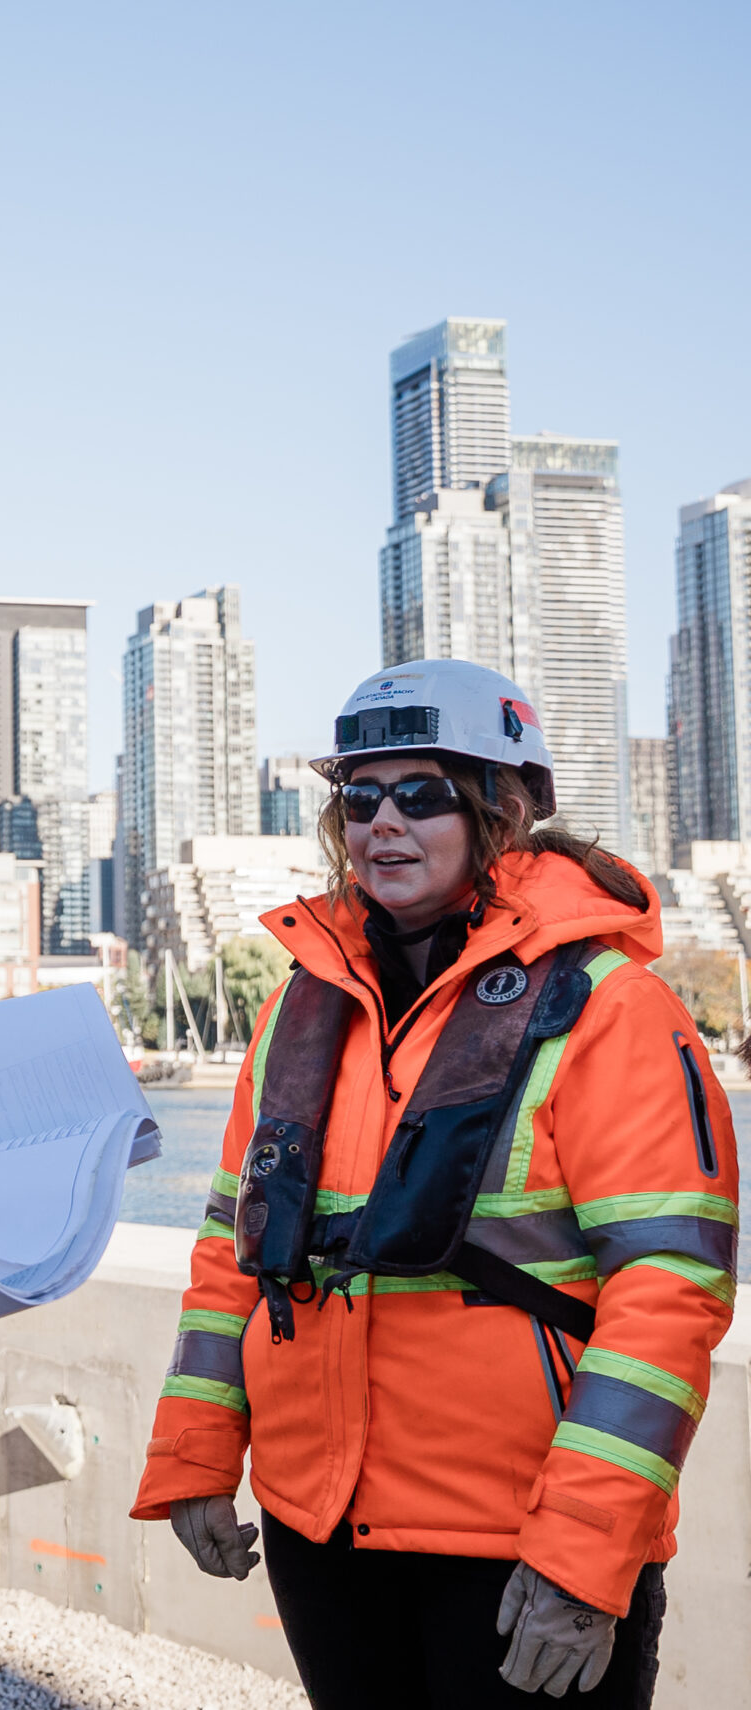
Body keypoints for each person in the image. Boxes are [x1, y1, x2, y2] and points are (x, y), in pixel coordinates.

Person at [131, 660, 738, 1708]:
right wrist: (194, 1455)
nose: (383, 825)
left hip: (518, 1549)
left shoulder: (607, 1008)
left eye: (421, 795)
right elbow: (232, 1248)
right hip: (323, 1532)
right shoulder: (302, 1010)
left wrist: (583, 1555)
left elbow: (666, 1293)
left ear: (501, 813)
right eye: (359, 799)